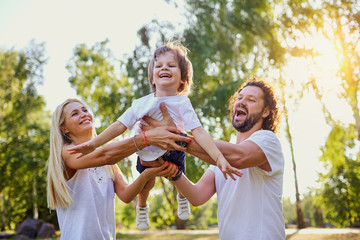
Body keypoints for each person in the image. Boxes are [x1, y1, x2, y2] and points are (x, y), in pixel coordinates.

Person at [67, 42, 242, 230]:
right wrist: (94, 143)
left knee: (179, 174)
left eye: (171, 65)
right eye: (159, 65)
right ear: (152, 77)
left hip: (174, 149)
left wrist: (219, 158)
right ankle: (142, 206)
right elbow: (119, 126)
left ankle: (181, 197)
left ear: (183, 79)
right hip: (146, 152)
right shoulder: (141, 104)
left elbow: (198, 131)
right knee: (147, 183)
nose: (164, 68)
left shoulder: (183, 103)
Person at [145, 77, 285, 239]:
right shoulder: (218, 156)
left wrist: (175, 137)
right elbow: (197, 196)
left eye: (251, 100)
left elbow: (239, 157)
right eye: (239, 98)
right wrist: (173, 173)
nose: (242, 102)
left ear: (266, 112)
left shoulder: (268, 140)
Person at [46, 98, 187, 240]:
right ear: (64, 128)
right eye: (74, 113)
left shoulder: (109, 162)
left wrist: (148, 174)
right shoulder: (67, 152)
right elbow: (105, 155)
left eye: (84, 110)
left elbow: (126, 195)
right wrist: (147, 138)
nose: (84, 114)